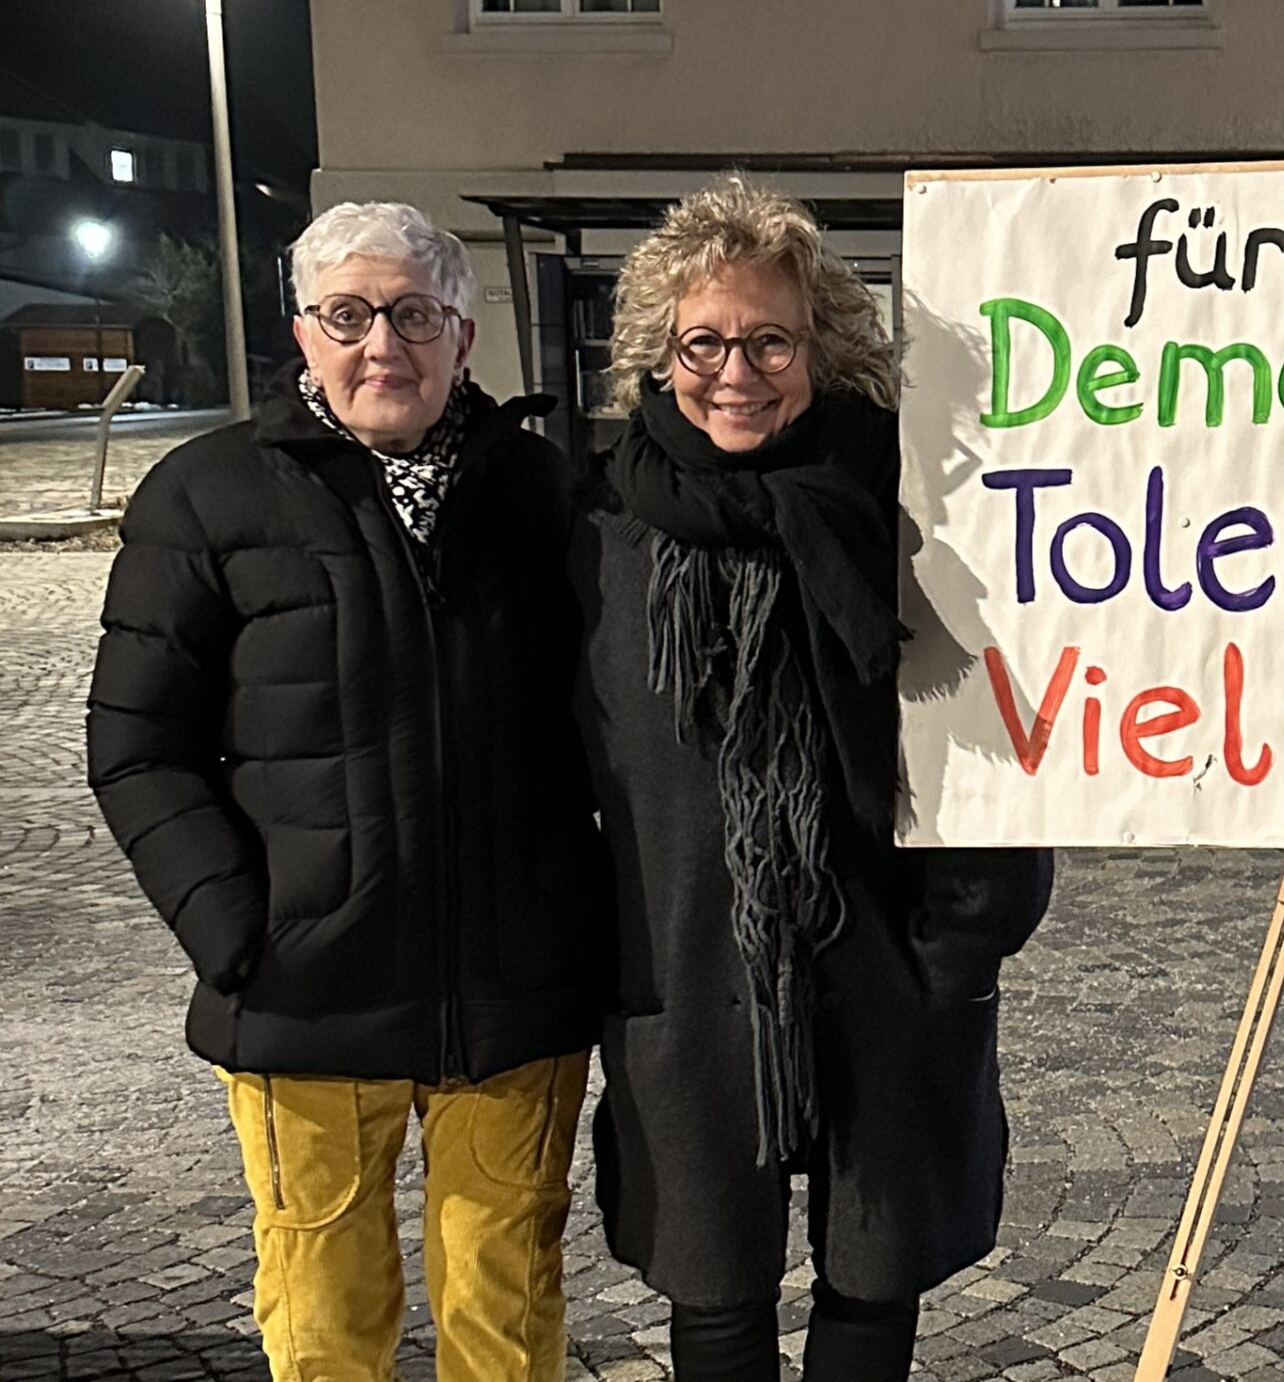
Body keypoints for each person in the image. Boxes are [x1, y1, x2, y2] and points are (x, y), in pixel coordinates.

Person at [87, 202, 607, 1382]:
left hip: (512, 987)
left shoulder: (539, 491)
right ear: (304, 332)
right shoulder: (208, 495)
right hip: (304, 989)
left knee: (508, 1307)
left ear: (464, 337)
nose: (385, 344)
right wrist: (238, 928)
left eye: (416, 315)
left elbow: (606, 726)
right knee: (325, 1313)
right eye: (351, 315)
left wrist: (582, 915)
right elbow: (136, 743)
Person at [570, 175, 1054, 1382]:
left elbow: (989, 749)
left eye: (769, 339)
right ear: (657, 352)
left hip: (879, 964)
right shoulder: (599, 539)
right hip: (686, 975)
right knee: (714, 1292)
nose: (736, 369)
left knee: (870, 1284)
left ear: (820, 348)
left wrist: (960, 949)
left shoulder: (910, 524)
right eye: (704, 341)